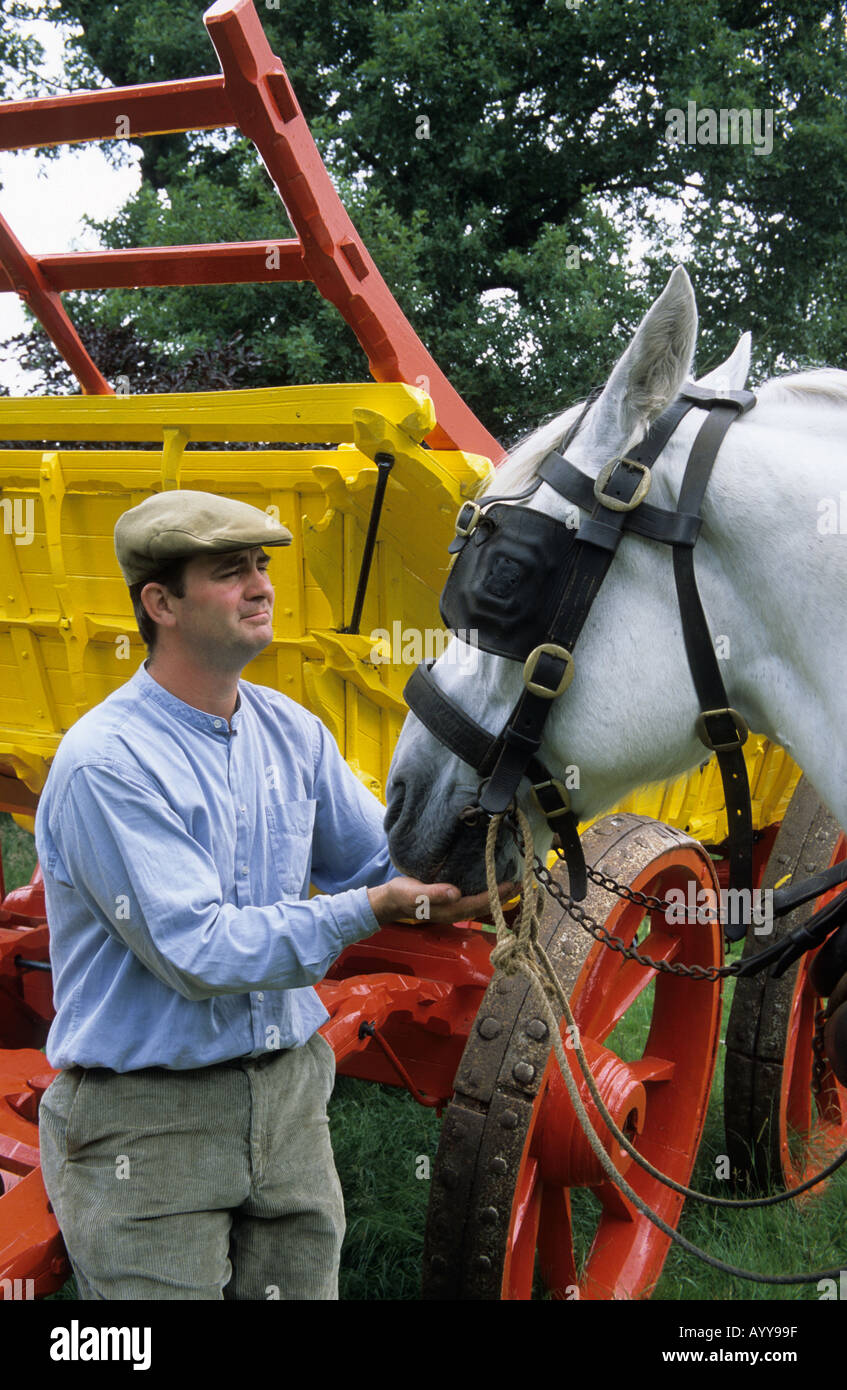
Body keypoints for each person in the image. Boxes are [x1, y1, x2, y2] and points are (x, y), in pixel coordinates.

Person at [36, 489, 511, 1301]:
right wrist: (369, 911)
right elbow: (198, 950)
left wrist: (480, 868)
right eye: (230, 572)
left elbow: (377, 860)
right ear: (162, 603)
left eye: (261, 567)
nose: (262, 586)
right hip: (147, 1123)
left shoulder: (289, 729)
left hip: (290, 1090)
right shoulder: (108, 763)